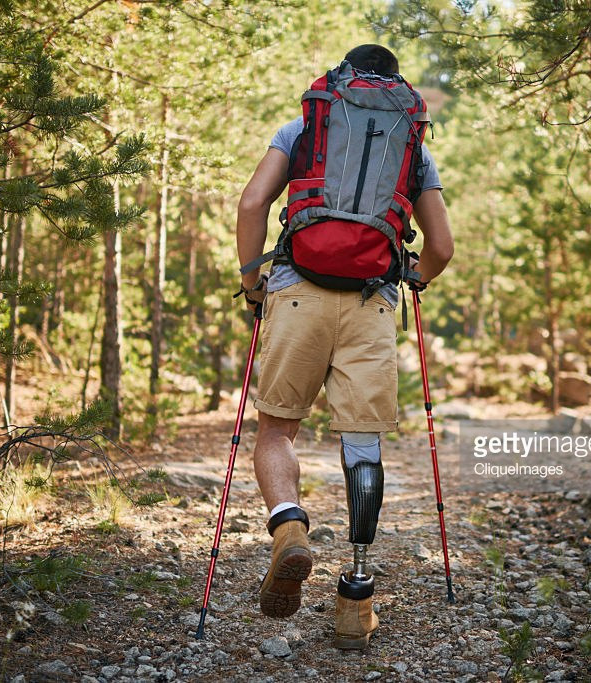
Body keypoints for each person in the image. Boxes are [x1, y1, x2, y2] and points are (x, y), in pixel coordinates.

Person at [235, 44, 453, 650]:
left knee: (278, 430)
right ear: (395, 88)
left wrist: (253, 284)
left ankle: (288, 527)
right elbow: (441, 246)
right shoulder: (412, 145)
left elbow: (252, 203)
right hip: (371, 303)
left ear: (340, 81)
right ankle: (355, 598)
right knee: (363, 443)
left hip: (297, 292)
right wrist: (414, 277)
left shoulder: (306, 125)